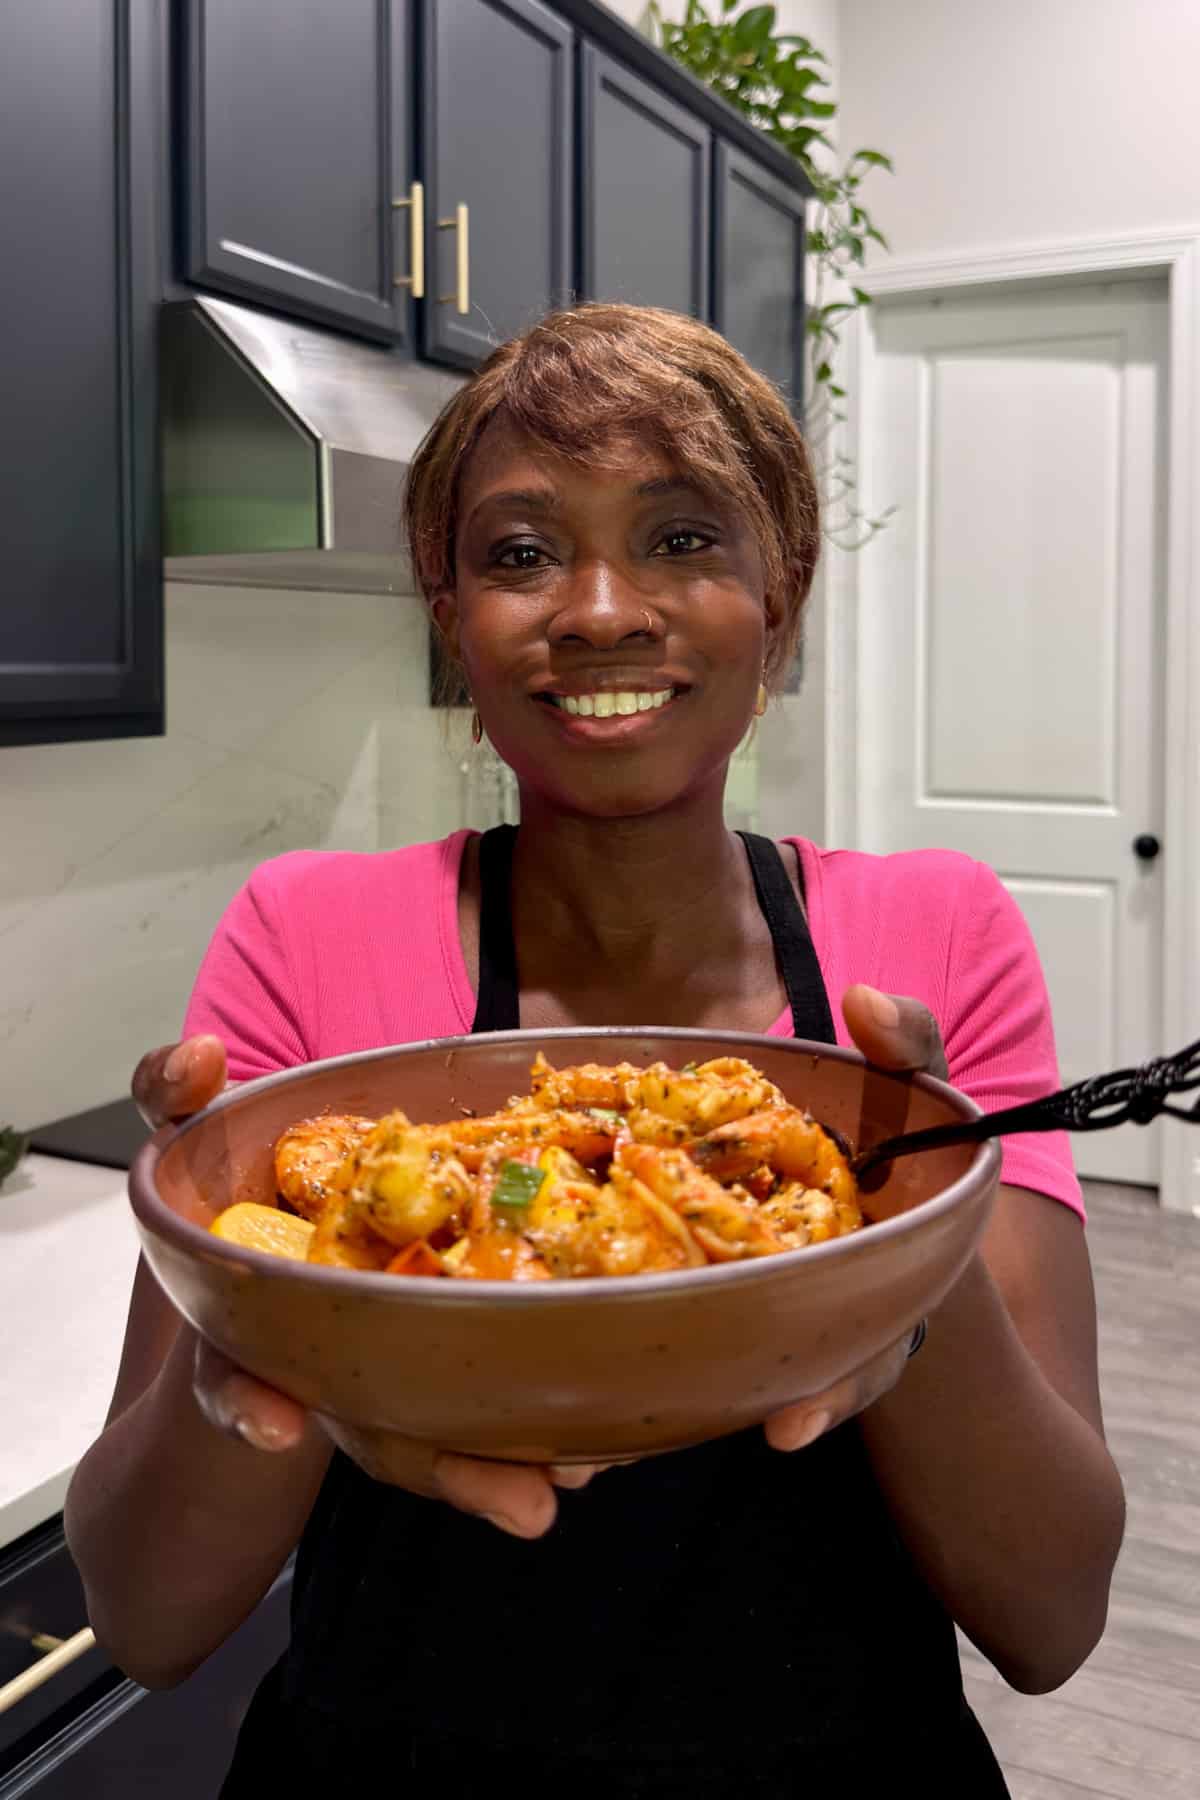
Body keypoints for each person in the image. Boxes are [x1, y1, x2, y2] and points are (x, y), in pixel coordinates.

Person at [65, 304, 1125, 1795]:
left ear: (784, 596)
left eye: (687, 538)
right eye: (519, 552)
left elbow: (1051, 1612)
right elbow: (148, 1614)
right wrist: (255, 1326)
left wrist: (902, 1244)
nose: (604, 608)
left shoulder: (931, 937)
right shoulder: (309, 937)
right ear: (454, 622)